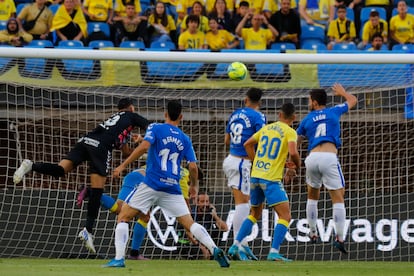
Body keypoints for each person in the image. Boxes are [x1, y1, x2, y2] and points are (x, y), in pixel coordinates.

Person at [13, 98, 149, 254]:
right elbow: (152, 129)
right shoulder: (131, 116)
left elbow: (126, 152)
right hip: (100, 148)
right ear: (131, 108)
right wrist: (145, 141)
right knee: (97, 192)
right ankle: (88, 231)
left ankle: (31, 165)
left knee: (60, 169)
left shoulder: (115, 121)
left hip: (85, 140)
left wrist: (141, 152)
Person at [105, 100, 230, 268]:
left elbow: (143, 147)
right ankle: (214, 249)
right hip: (172, 187)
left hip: (152, 184)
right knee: (190, 223)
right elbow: (193, 166)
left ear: (165, 114)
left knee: (123, 217)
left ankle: (119, 258)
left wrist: (123, 165)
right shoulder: (185, 139)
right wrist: (194, 186)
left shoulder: (155, 128)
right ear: (181, 116)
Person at [228, 102, 301, 262]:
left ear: (279, 115)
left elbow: (247, 144)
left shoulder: (267, 128)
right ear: (294, 117)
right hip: (271, 178)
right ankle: (274, 252)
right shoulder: (290, 132)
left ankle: (235, 245)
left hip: (255, 176)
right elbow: (293, 151)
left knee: (254, 213)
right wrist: (297, 163)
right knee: (285, 216)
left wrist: (255, 161)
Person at [296, 83, 357, 254]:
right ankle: (339, 238)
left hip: (312, 158)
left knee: (312, 196)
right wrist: (343, 92)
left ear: (314, 103)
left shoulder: (306, 119)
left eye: (309, 100)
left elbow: (296, 142)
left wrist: (291, 162)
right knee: (338, 198)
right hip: (329, 157)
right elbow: (353, 100)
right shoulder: (333, 111)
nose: (308, 103)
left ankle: (313, 233)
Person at [223, 88, 266, 261]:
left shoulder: (235, 114)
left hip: (231, 159)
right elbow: (262, 140)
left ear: (245, 99)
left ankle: (244, 245)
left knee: (243, 203)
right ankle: (237, 245)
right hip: (243, 163)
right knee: (244, 205)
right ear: (260, 102)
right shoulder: (259, 117)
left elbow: (226, 140)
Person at [189, 191, 229, 260]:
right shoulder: (192, 215)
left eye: (207, 201)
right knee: (203, 253)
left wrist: (215, 216)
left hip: (212, 245)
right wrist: (201, 246)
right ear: (197, 203)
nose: (205, 204)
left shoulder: (211, 214)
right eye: (202, 201)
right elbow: (189, 235)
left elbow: (225, 229)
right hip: (196, 245)